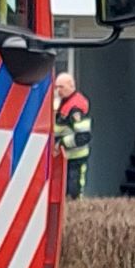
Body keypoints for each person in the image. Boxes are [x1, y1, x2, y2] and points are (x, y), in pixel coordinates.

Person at [52, 71, 91, 200]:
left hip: (75, 158)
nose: (58, 90)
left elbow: (83, 136)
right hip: (64, 157)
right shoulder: (63, 102)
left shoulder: (76, 107)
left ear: (71, 86)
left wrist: (61, 143)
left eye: (61, 87)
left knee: (73, 193)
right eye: (56, 87)